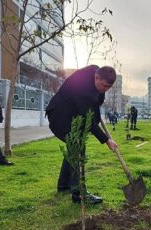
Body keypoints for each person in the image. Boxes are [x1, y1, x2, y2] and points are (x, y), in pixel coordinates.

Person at [46, 65, 118, 204]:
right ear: (96, 77)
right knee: (78, 146)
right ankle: (79, 194)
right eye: (103, 86)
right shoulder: (83, 88)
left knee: (74, 147)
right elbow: (88, 120)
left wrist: (98, 103)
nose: (105, 90)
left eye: (108, 88)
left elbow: (95, 105)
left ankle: (64, 186)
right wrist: (106, 140)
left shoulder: (96, 72)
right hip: (59, 116)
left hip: (72, 114)